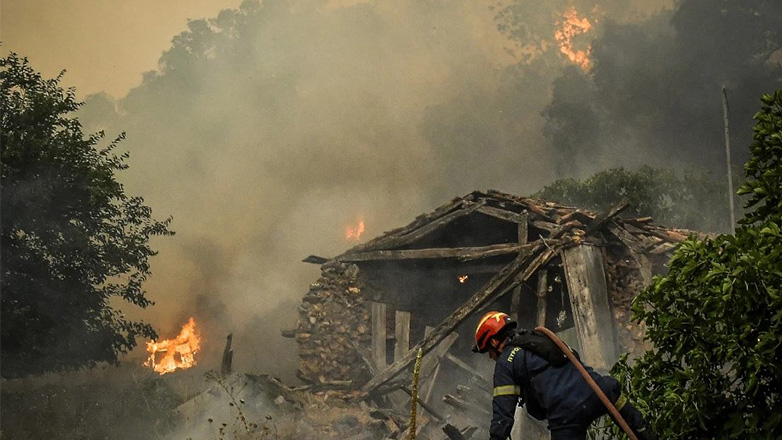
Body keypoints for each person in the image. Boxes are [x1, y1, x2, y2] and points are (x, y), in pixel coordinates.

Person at [473, 311, 657, 440]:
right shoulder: (541, 338)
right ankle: (646, 433)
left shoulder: (505, 362)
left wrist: (496, 437)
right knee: (615, 396)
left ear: (495, 341)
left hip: (566, 415)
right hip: (597, 393)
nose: (491, 357)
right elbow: (574, 359)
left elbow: (503, 413)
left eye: (488, 351)